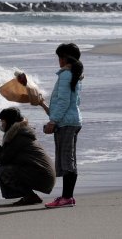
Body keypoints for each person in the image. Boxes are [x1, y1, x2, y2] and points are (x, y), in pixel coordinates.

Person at [42, 43, 84, 208]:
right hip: (71, 121)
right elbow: (74, 102)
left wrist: (53, 121)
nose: (58, 60)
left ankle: (67, 197)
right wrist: (44, 106)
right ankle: (68, 197)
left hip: (66, 123)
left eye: (59, 57)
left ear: (66, 58)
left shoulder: (66, 75)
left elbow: (64, 101)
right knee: (68, 159)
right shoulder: (75, 75)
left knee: (67, 160)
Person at [0, 107, 56, 206]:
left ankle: (29, 196)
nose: (1, 123)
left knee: (4, 170)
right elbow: (7, 156)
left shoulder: (19, 137)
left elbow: (2, 159)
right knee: (7, 167)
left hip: (43, 177)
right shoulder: (20, 132)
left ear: (9, 121)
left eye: (2, 120)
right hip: (44, 175)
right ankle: (30, 196)